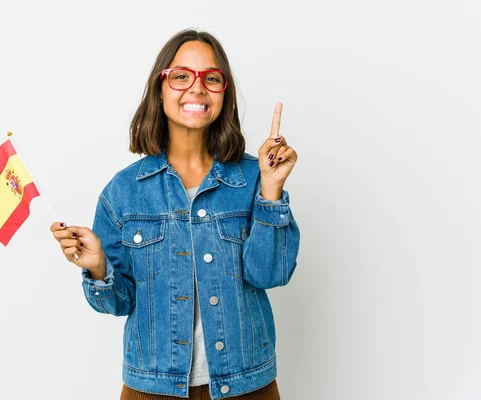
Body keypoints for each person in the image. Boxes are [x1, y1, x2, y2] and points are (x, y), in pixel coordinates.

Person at [50, 28, 300, 400]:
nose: (197, 88)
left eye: (211, 78)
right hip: (152, 389)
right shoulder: (124, 191)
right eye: (181, 76)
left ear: (223, 93)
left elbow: (271, 274)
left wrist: (271, 189)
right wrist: (99, 267)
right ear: (160, 88)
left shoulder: (254, 178)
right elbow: (118, 302)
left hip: (247, 386)